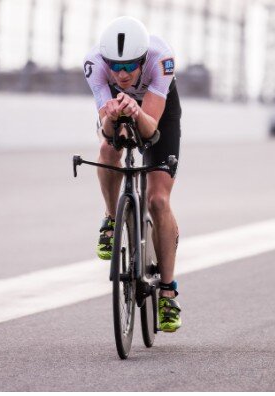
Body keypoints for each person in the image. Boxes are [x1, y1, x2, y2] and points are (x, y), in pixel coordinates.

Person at [83, 16, 182, 332]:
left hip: (157, 113)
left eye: (129, 67)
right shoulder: (93, 65)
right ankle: (112, 219)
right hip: (121, 111)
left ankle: (167, 292)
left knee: (157, 200)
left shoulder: (160, 59)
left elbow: (151, 130)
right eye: (115, 66)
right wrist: (113, 116)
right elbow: (107, 131)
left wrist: (136, 111)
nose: (122, 74)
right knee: (107, 151)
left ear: (143, 60)